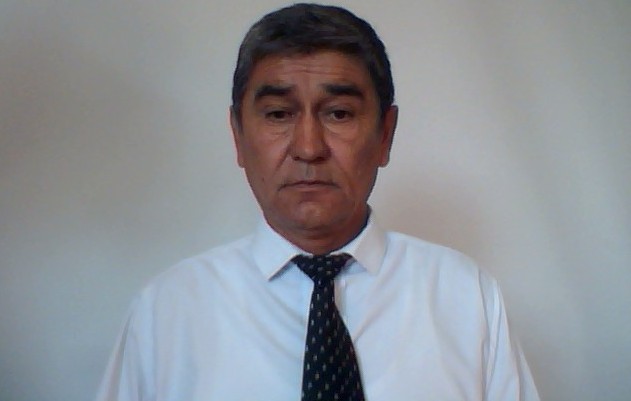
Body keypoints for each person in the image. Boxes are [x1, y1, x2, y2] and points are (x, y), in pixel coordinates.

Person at [95, 3, 540, 401]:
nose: (308, 148)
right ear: (238, 136)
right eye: (278, 114)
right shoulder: (167, 312)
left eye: (339, 114)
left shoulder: (467, 298)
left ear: (385, 135)